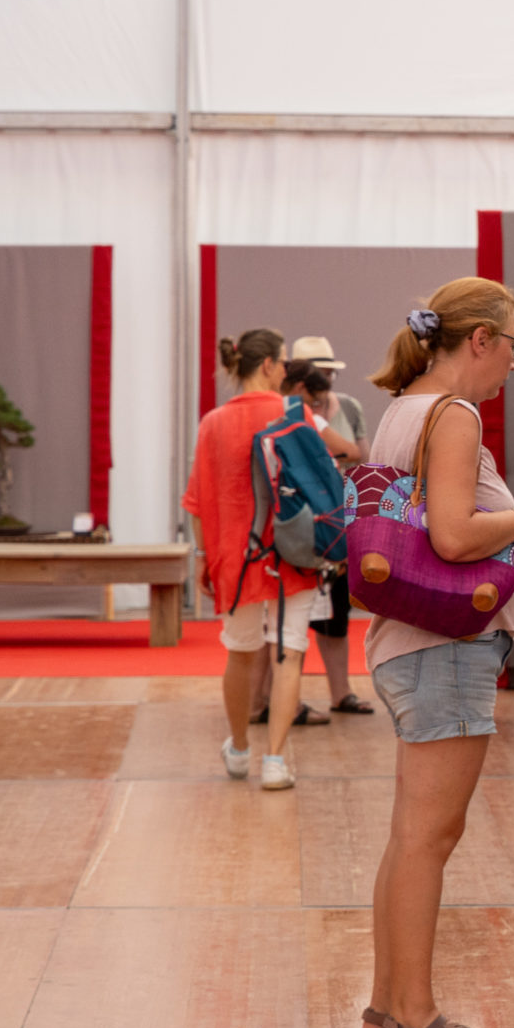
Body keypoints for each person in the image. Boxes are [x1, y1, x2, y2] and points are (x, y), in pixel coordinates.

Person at [363, 278, 514, 1028]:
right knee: (428, 839)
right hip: (445, 646)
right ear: (479, 340)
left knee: (410, 838)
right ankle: (416, 1015)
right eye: (513, 346)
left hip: (411, 642)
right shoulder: (453, 415)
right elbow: (452, 535)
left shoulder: (404, 408)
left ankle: (388, 1008)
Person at [180, 328, 320, 791]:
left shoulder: (213, 422)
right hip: (293, 552)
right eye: (284, 362)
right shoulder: (296, 414)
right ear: (267, 365)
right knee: (289, 653)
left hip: (236, 557)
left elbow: (196, 501)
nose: (286, 370)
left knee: (239, 653)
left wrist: (204, 557)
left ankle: (240, 749)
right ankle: (275, 760)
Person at [280, 338, 373, 717]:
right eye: (321, 371)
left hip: (337, 521)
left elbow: (362, 457)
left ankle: (341, 692)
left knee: (335, 614)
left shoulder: (347, 406)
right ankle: (284, 699)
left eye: (330, 371)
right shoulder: (286, 409)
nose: (327, 378)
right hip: (296, 521)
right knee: (290, 618)